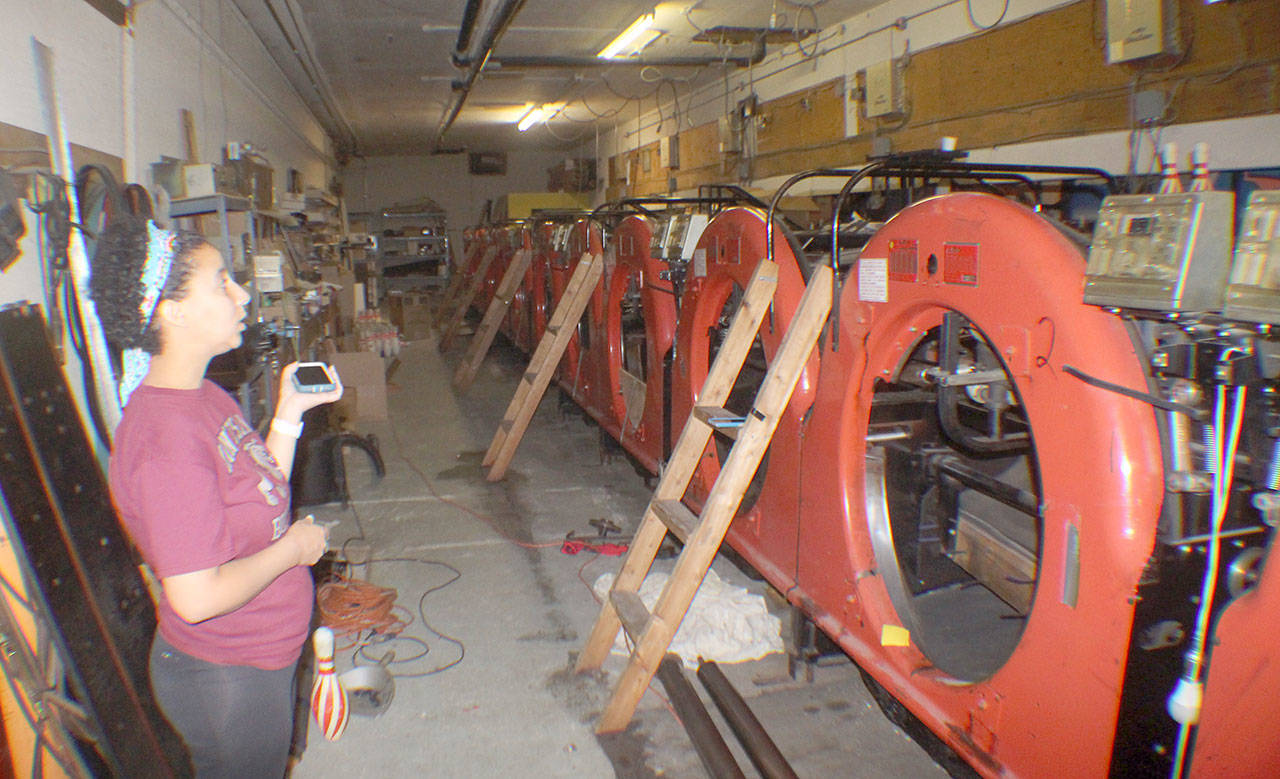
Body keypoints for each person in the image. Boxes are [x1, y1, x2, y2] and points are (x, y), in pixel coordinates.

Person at [90, 216, 341, 777]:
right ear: (172, 312)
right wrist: (296, 549)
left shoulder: (203, 394)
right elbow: (196, 598)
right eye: (222, 281)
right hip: (230, 676)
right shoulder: (165, 442)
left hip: (260, 658)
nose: (242, 293)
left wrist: (289, 416)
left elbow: (259, 487)